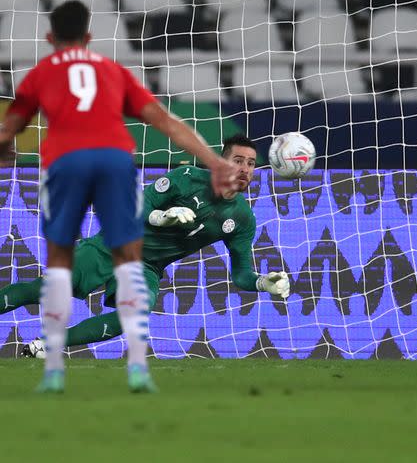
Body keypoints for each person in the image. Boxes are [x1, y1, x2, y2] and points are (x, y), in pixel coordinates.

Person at [0, 1, 237, 393]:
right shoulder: (113, 72)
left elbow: (10, 130)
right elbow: (164, 120)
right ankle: (137, 369)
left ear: (49, 38)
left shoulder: (40, 74)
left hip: (66, 163)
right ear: (89, 38)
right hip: (115, 163)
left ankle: (53, 362)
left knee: (59, 268)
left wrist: (6, 147)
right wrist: (213, 160)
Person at [0, 134, 290, 357]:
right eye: (238, 160)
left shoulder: (243, 219)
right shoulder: (186, 178)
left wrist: (264, 282)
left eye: (251, 164)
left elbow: (240, 274)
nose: (245, 169)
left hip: (147, 266)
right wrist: (161, 217)